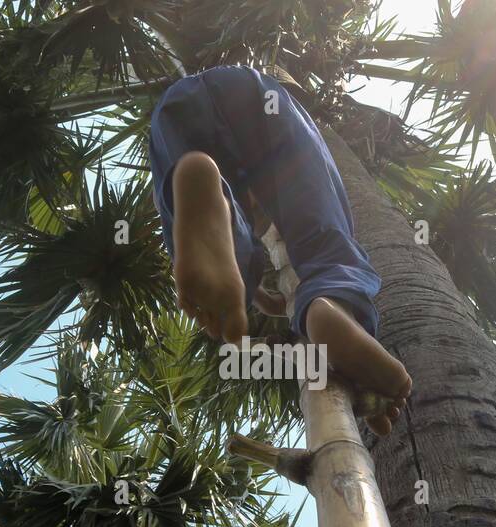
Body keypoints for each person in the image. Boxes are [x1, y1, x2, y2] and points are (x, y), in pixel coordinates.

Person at [148, 65, 411, 435]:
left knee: (204, 212)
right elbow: (302, 205)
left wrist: (258, 294)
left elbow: (228, 250)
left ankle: (204, 181)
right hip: (261, 97)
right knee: (320, 228)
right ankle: (330, 301)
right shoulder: (286, 103)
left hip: (173, 111)